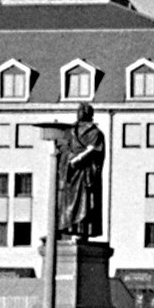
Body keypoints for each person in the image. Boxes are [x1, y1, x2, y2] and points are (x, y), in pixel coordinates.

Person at [56, 102, 105, 240]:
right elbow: (63, 146)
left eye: (83, 110)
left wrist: (79, 159)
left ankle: (81, 231)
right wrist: (69, 157)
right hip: (70, 173)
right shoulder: (70, 130)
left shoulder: (95, 132)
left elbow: (96, 151)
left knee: (84, 202)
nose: (80, 112)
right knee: (67, 202)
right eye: (79, 110)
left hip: (85, 173)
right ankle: (68, 230)